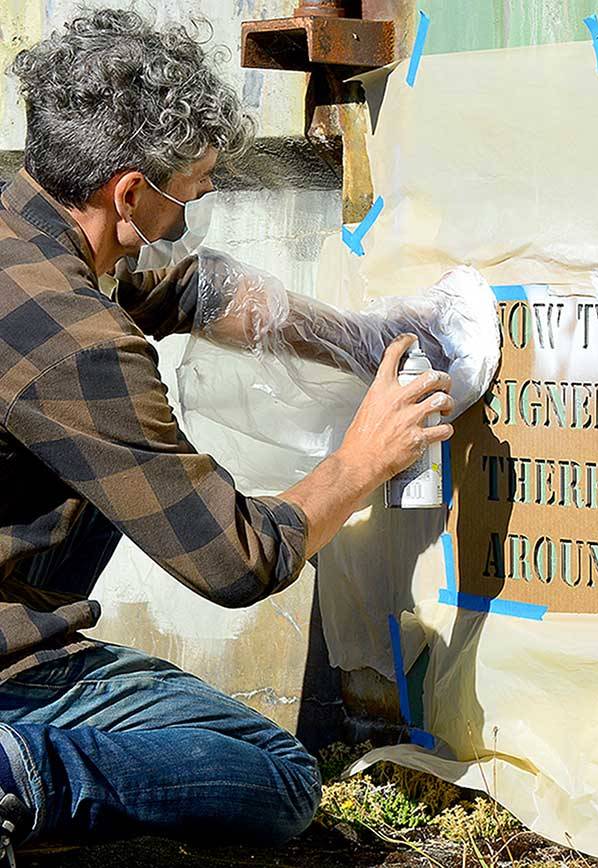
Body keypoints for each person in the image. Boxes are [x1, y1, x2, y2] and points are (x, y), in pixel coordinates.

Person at [0, 9, 456, 858]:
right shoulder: (79, 349)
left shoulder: (21, 244)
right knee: (275, 776)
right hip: (9, 676)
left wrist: (353, 336)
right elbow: (234, 560)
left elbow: (185, 286)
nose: (200, 205)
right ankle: (18, 772)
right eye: (194, 189)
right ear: (129, 191)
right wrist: (362, 457)